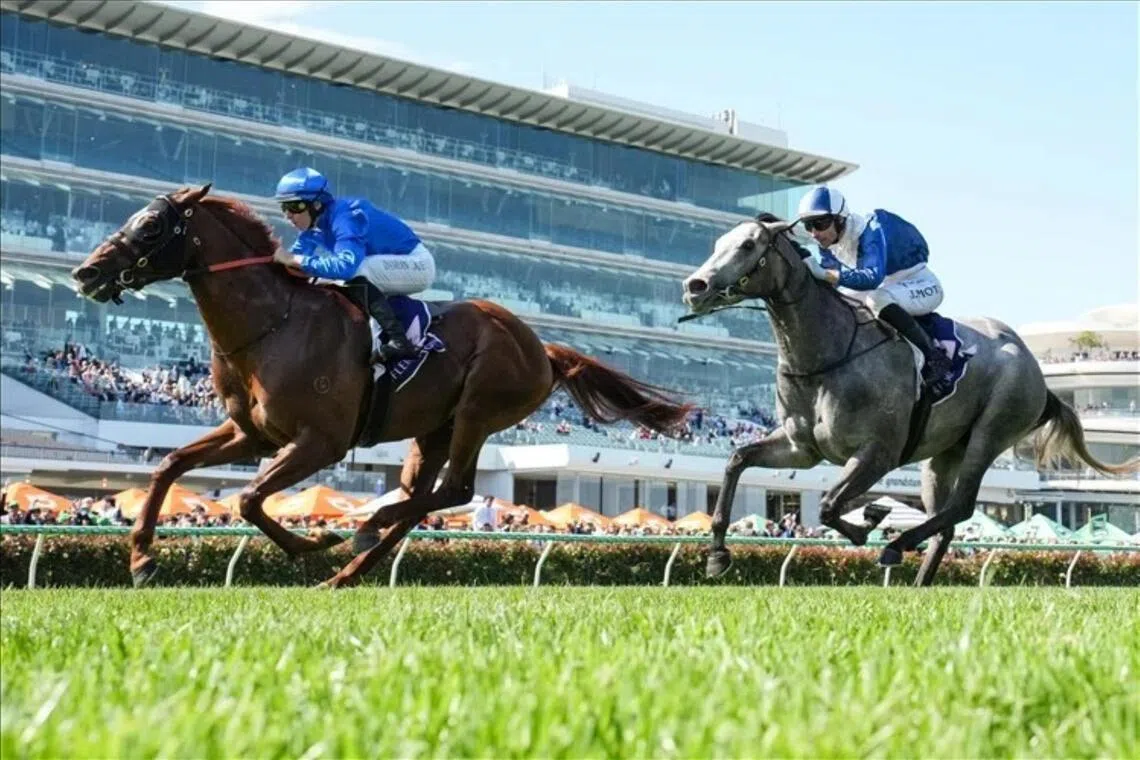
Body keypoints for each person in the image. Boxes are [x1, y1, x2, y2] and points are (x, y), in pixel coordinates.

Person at [795, 185, 953, 394]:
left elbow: (871, 278)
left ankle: (934, 358)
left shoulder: (871, 229)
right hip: (887, 287)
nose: (814, 233)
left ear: (839, 218)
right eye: (808, 226)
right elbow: (830, 285)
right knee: (839, 303)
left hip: (920, 284)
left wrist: (823, 273)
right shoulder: (828, 244)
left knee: (878, 299)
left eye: (820, 223)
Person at [271, 167, 435, 363]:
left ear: (316, 204)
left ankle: (399, 342)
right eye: (284, 208)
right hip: (386, 267)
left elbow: (346, 267)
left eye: (294, 206)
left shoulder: (346, 217)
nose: (288, 215)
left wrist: (296, 260)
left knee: (356, 271)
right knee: (322, 278)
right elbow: (292, 261)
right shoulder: (312, 229)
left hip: (417, 265)